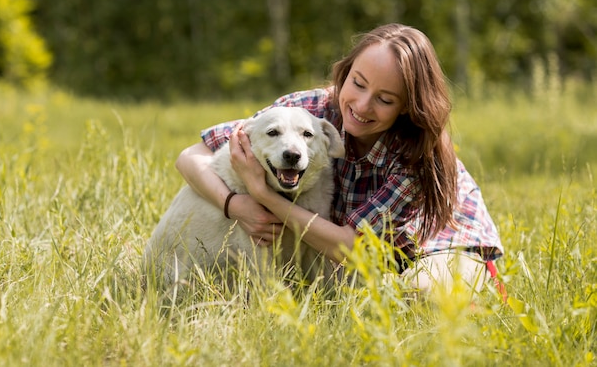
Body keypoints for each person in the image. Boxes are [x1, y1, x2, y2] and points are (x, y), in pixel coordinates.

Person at [176, 23, 504, 296]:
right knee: (339, 293)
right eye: (357, 83)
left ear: (407, 106)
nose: (361, 106)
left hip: (438, 244)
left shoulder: (417, 153)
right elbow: (192, 156)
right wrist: (234, 204)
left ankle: (477, 286)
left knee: (421, 294)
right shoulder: (309, 112)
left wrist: (261, 195)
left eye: (385, 99)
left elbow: (349, 247)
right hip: (363, 252)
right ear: (345, 74)